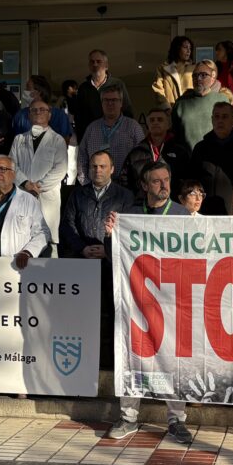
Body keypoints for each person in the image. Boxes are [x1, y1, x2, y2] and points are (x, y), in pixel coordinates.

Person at [103, 160, 192, 444]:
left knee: (174, 361)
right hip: (138, 302)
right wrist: (110, 236)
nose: (164, 185)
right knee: (132, 355)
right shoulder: (129, 215)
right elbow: (114, 256)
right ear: (144, 185)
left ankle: (177, 420)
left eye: (167, 179)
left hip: (173, 302)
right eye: (156, 181)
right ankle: (129, 417)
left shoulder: (182, 215)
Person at [58, 150, 134, 373]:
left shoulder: (125, 196)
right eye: (94, 166)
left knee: (113, 314)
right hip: (85, 265)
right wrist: (82, 248)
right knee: (86, 315)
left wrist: (108, 249)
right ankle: (89, 362)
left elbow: (129, 230)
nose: (97, 170)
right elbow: (67, 226)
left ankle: (111, 364)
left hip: (112, 266)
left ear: (112, 169)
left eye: (102, 166)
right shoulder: (77, 195)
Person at [11, 99, 68, 258]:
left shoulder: (58, 140)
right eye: (34, 110)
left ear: (49, 115)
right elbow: (12, 165)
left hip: (46, 197)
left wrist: (38, 186)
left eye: (42, 109)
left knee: (48, 242)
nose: (38, 112)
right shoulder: (19, 139)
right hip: (23, 193)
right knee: (22, 237)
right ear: (28, 115)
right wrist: (25, 184)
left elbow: (60, 169)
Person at [76, 82, 144, 185]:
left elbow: (142, 159)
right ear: (101, 103)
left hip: (125, 188)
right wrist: (86, 183)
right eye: (106, 100)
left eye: (114, 100)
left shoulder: (133, 127)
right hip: (96, 187)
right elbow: (82, 157)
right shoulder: (92, 128)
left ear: (121, 103)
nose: (110, 103)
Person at [121, 107, 191, 197]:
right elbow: (125, 181)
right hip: (142, 206)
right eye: (152, 120)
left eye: (160, 120)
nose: (155, 122)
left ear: (168, 125)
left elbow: (188, 182)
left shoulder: (180, 152)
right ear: (147, 124)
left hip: (172, 205)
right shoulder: (136, 152)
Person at [71, 49, 134, 141]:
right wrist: (82, 139)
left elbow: (127, 111)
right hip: (91, 138)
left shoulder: (117, 84)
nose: (95, 64)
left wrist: (125, 135)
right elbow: (79, 117)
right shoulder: (83, 88)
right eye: (92, 62)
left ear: (106, 66)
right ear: (89, 65)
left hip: (115, 137)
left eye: (98, 61)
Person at [171, 60, 233, 150]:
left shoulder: (222, 100)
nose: (198, 79)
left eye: (203, 75)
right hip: (188, 161)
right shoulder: (181, 103)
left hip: (216, 159)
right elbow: (175, 135)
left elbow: (230, 132)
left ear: (212, 78)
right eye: (195, 75)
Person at [12, 75, 73, 140]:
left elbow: (65, 141)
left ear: (38, 92)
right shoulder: (20, 115)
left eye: (28, 87)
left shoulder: (59, 116)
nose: (25, 90)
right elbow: (16, 141)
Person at [152, 36, 195, 107]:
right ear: (177, 48)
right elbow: (158, 89)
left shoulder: (194, 68)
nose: (188, 51)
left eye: (190, 48)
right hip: (170, 110)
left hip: (190, 109)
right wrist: (166, 107)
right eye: (185, 47)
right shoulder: (163, 68)